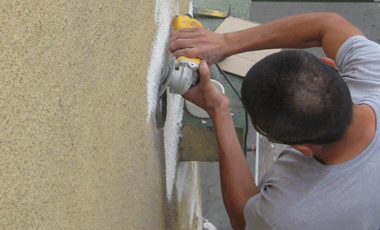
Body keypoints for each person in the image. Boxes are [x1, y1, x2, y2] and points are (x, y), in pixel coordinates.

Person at [169, 13, 380, 230]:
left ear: (301, 148)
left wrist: (219, 111)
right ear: (328, 64)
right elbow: (327, 25)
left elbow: (243, 219)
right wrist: (225, 42)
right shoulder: (374, 71)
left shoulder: (291, 214)